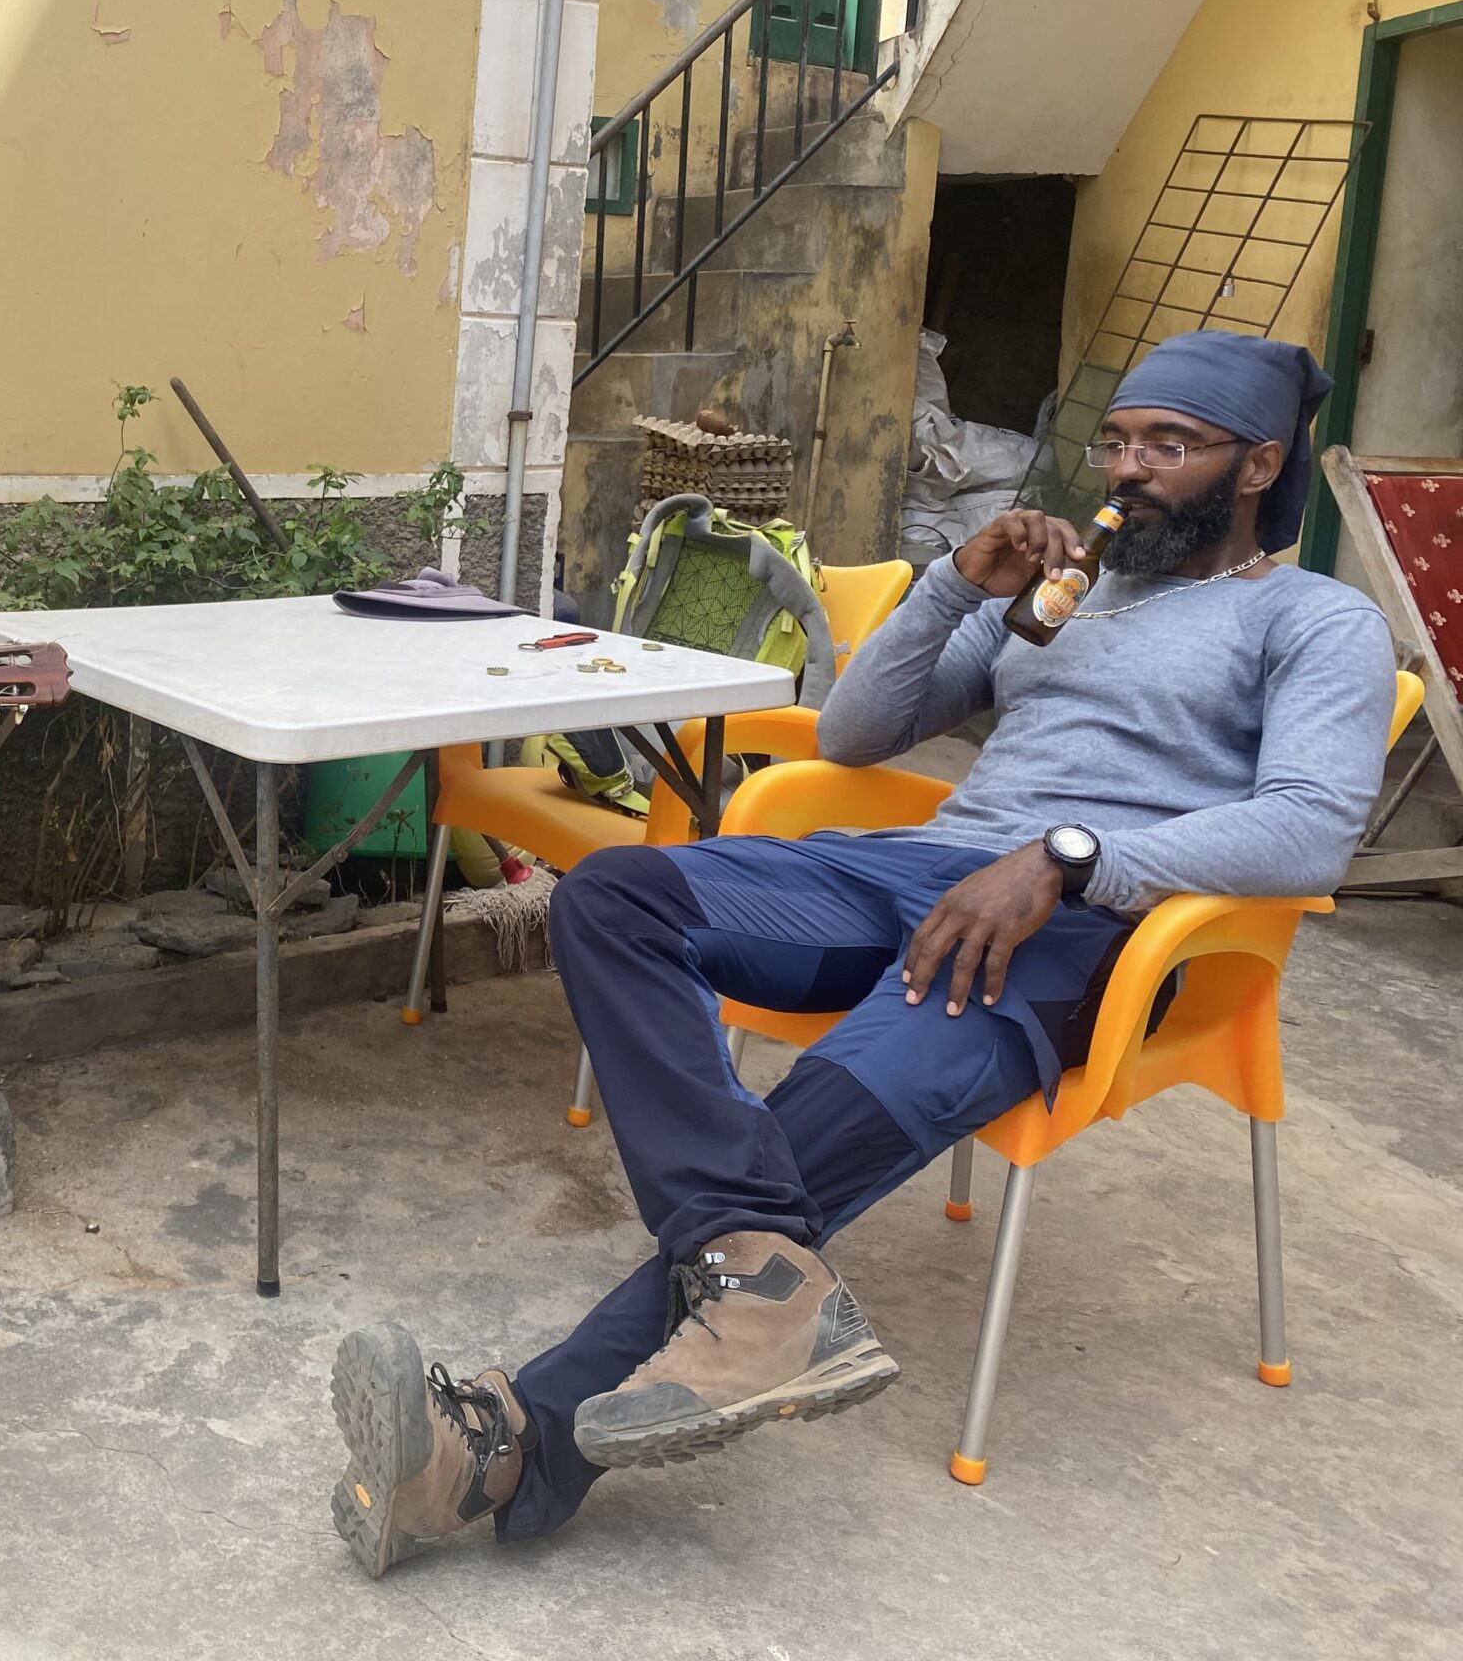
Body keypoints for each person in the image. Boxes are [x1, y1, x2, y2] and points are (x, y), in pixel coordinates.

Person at [325, 329, 1395, 1574]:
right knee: (613, 898)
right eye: (1117, 441)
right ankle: (760, 1286)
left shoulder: (1315, 620)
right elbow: (854, 731)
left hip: (1090, 925)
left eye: (1169, 445)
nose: (1128, 469)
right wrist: (953, 586)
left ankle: (507, 1443)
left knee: (813, 1120)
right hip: (921, 871)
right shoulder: (1068, 596)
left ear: (1257, 464)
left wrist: (1065, 858)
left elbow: (1311, 830)